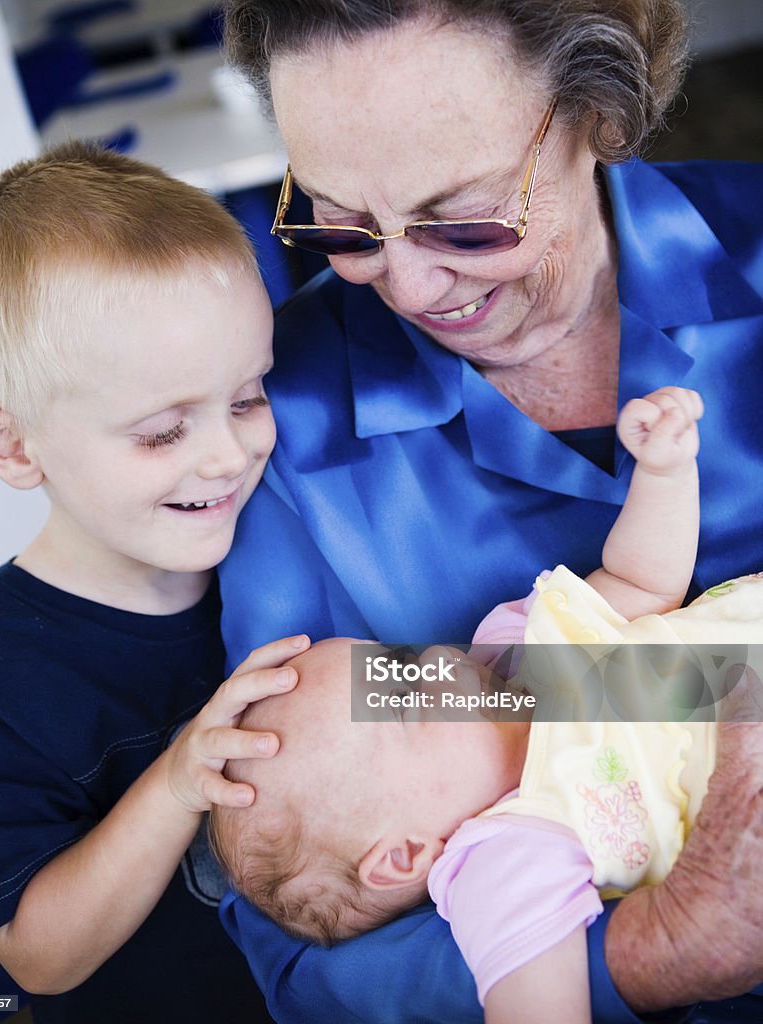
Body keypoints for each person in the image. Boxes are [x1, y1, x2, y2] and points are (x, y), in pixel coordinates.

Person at [216, 1, 763, 1021]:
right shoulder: (273, 428)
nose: (411, 286)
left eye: (462, 217)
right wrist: (662, 944)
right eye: (338, 223)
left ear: (599, 117)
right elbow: (303, 928)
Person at [212, 385, 763, 1023]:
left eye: (398, 662)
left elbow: (643, 584)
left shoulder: (514, 654)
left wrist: (664, 474)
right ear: (406, 855)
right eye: (410, 700)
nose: (442, 662)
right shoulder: (507, 853)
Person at [0, 143, 309, 1024]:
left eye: (248, 396)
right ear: (12, 445)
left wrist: (637, 688)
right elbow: (40, 959)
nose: (228, 454)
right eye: (159, 433)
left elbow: (416, 685)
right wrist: (177, 784)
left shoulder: (283, 539)